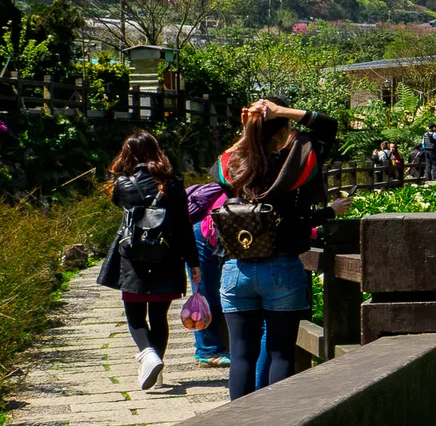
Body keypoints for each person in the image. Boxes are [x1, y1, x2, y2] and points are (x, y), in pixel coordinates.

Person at [211, 99, 350, 400]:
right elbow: (328, 125)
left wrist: (250, 127)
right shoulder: (295, 164)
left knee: (241, 356)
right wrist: (281, 111)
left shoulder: (233, 169)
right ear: (284, 129)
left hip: (237, 269)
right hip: (282, 267)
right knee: (281, 353)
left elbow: (221, 162)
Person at [97, 132, 202, 391]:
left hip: (133, 259)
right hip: (167, 257)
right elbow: (184, 226)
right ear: (157, 152)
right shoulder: (173, 185)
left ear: (128, 153)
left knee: (135, 316)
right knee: (159, 316)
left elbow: (120, 207)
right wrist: (194, 262)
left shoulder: (121, 184)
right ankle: (156, 367)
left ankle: (147, 354)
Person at [186, 178, 232, 367]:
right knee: (205, 295)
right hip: (202, 236)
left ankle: (213, 346)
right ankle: (206, 350)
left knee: (214, 293)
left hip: (207, 234)